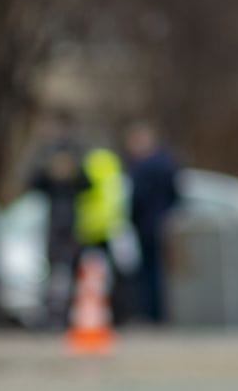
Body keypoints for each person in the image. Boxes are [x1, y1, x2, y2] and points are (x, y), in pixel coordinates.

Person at [28, 111, 90, 327]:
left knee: (72, 269)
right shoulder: (45, 151)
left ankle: (70, 314)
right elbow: (32, 183)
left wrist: (74, 171)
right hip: (52, 219)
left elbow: (87, 184)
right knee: (50, 269)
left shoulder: (77, 151)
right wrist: (48, 171)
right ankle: (50, 315)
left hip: (73, 220)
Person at [124, 121, 181, 323]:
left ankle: (151, 313)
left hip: (146, 225)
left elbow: (136, 198)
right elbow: (176, 194)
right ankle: (163, 313)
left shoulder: (141, 166)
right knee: (162, 272)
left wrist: (131, 218)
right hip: (164, 224)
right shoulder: (168, 163)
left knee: (149, 272)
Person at [76, 146, 129, 322]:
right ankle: (115, 316)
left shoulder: (90, 172)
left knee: (89, 281)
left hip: (91, 233)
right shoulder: (115, 175)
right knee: (110, 279)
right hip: (111, 232)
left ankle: (93, 318)